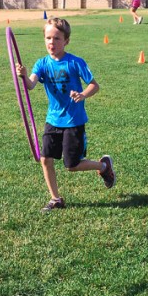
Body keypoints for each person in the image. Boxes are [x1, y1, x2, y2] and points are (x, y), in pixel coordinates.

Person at [16, 17, 115, 212]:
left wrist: (82, 94)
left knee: (72, 165)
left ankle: (103, 167)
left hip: (73, 121)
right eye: (48, 38)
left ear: (66, 41)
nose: (51, 42)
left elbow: (94, 85)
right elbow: (31, 85)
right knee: (45, 159)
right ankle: (55, 199)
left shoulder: (75, 62)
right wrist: (24, 75)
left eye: (57, 38)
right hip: (52, 120)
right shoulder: (42, 63)